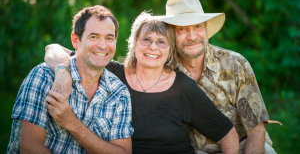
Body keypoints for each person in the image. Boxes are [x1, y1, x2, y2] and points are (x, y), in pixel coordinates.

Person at [44, 12, 239, 154]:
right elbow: (53, 49)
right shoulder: (111, 73)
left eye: (161, 42)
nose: (153, 47)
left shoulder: (183, 88)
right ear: (134, 44)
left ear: (170, 50)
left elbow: (227, 133)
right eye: (146, 39)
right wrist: (62, 73)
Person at [154, 0, 277, 154]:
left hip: (243, 145)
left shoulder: (234, 64)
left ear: (206, 29)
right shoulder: (163, 70)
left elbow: (256, 131)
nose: (192, 36)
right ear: (170, 34)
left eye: (197, 26)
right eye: (182, 29)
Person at [7, 5, 134, 154]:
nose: (102, 45)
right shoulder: (44, 77)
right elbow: (29, 148)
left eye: (109, 38)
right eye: (94, 37)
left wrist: (72, 123)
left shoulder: (119, 92)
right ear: (75, 40)